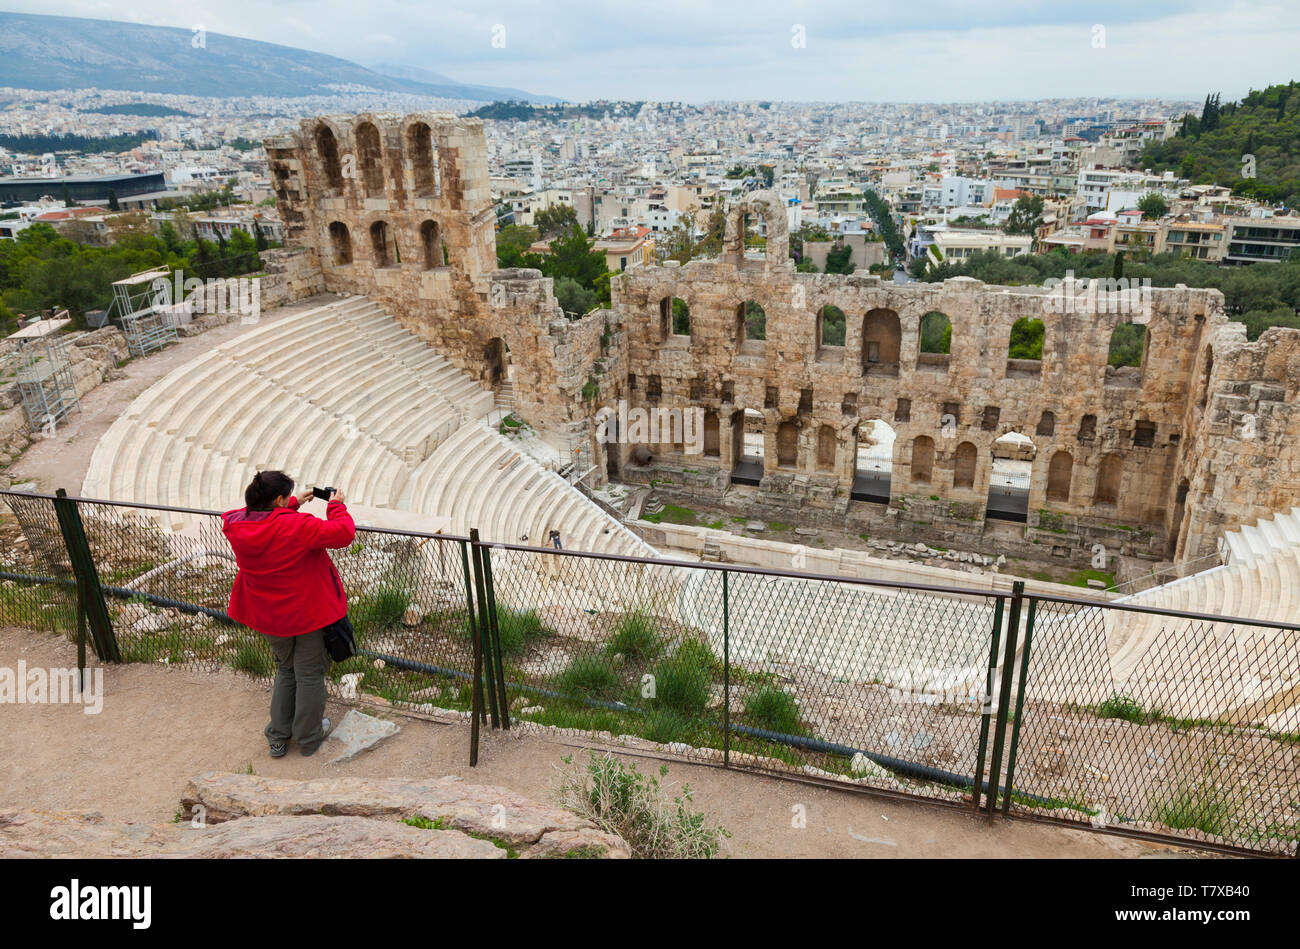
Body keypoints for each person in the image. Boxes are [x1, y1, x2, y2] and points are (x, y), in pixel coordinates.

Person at [222, 470, 355, 757]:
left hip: (268, 615)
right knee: (309, 674)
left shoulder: (236, 525)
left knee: (286, 669)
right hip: (305, 613)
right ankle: (309, 737)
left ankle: (279, 737)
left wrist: (292, 504)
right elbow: (343, 534)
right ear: (278, 500)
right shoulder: (297, 526)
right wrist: (336, 506)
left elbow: (267, 524)